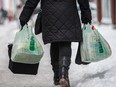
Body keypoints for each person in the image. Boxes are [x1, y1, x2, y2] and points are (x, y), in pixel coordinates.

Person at [19, 0, 92, 87]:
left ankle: (57, 76)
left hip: (49, 15)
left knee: (54, 42)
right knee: (65, 43)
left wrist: (24, 17)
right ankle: (63, 74)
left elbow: (31, 2)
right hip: (68, 13)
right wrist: (86, 16)